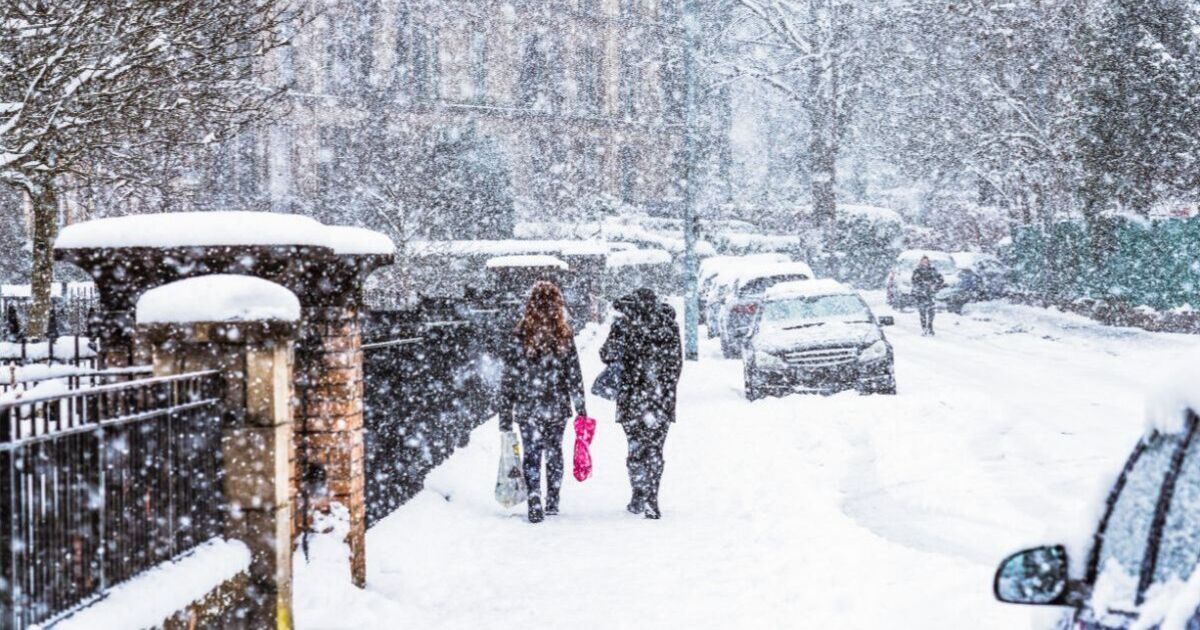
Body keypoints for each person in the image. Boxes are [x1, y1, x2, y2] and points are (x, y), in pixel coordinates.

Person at [499, 281, 587, 523]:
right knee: (554, 451)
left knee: (531, 452)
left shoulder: (520, 335)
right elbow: (574, 375)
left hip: (528, 405)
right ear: (558, 305)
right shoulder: (564, 335)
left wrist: (505, 414)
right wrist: (581, 408)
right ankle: (553, 498)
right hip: (556, 405)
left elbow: (509, 378)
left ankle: (534, 495)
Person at [600, 288, 682, 520]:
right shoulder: (668, 326)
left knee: (635, 447)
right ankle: (652, 497)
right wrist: (665, 389)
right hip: (660, 398)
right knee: (655, 448)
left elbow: (606, 355)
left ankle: (638, 494)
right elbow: (676, 365)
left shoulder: (624, 326)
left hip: (631, 397)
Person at [911, 256, 946, 336]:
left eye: (926, 261)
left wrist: (935, 286)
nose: (925, 263)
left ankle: (930, 326)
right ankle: (924, 328)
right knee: (922, 312)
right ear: (920, 262)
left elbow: (940, 279)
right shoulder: (917, 271)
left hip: (930, 294)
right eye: (923, 261)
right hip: (920, 294)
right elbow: (914, 281)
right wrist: (923, 284)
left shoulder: (933, 270)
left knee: (931, 311)